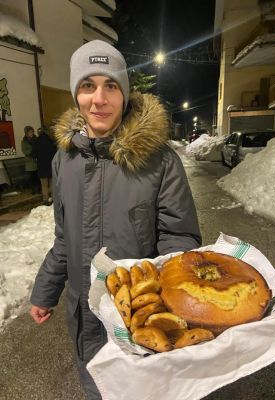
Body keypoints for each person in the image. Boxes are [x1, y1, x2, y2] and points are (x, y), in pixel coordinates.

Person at [29, 40, 201, 400]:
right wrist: (45, 291)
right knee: (97, 388)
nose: (99, 98)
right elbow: (65, 238)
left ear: (124, 94)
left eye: (111, 86)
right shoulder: (65, 161)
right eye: (88, 86)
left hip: (139, 317)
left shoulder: (160, 161)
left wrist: (165, 307)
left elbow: (179, 241)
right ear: (77, 94)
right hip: (84, 317)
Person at [34, 127, 57, 205]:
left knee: (44, 185)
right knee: (52, 183)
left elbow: (34, 153)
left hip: (41, 166)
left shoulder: (36, 142)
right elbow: (55, 152)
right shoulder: (50, 141)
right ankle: (54, 198)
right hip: (50, 166)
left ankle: (45, 199)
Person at [21, 125, 40, 194]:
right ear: (26, 133)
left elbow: (39, 148)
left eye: (32, 132)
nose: (31, 133)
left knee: (38, 176)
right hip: (30, 162)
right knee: (32, 177)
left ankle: (38, 189)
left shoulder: (37, 139)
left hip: (37, 161)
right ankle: (34, 189)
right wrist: (32, 151)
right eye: (30, 132)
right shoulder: (24, 141)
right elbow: (24, 151)